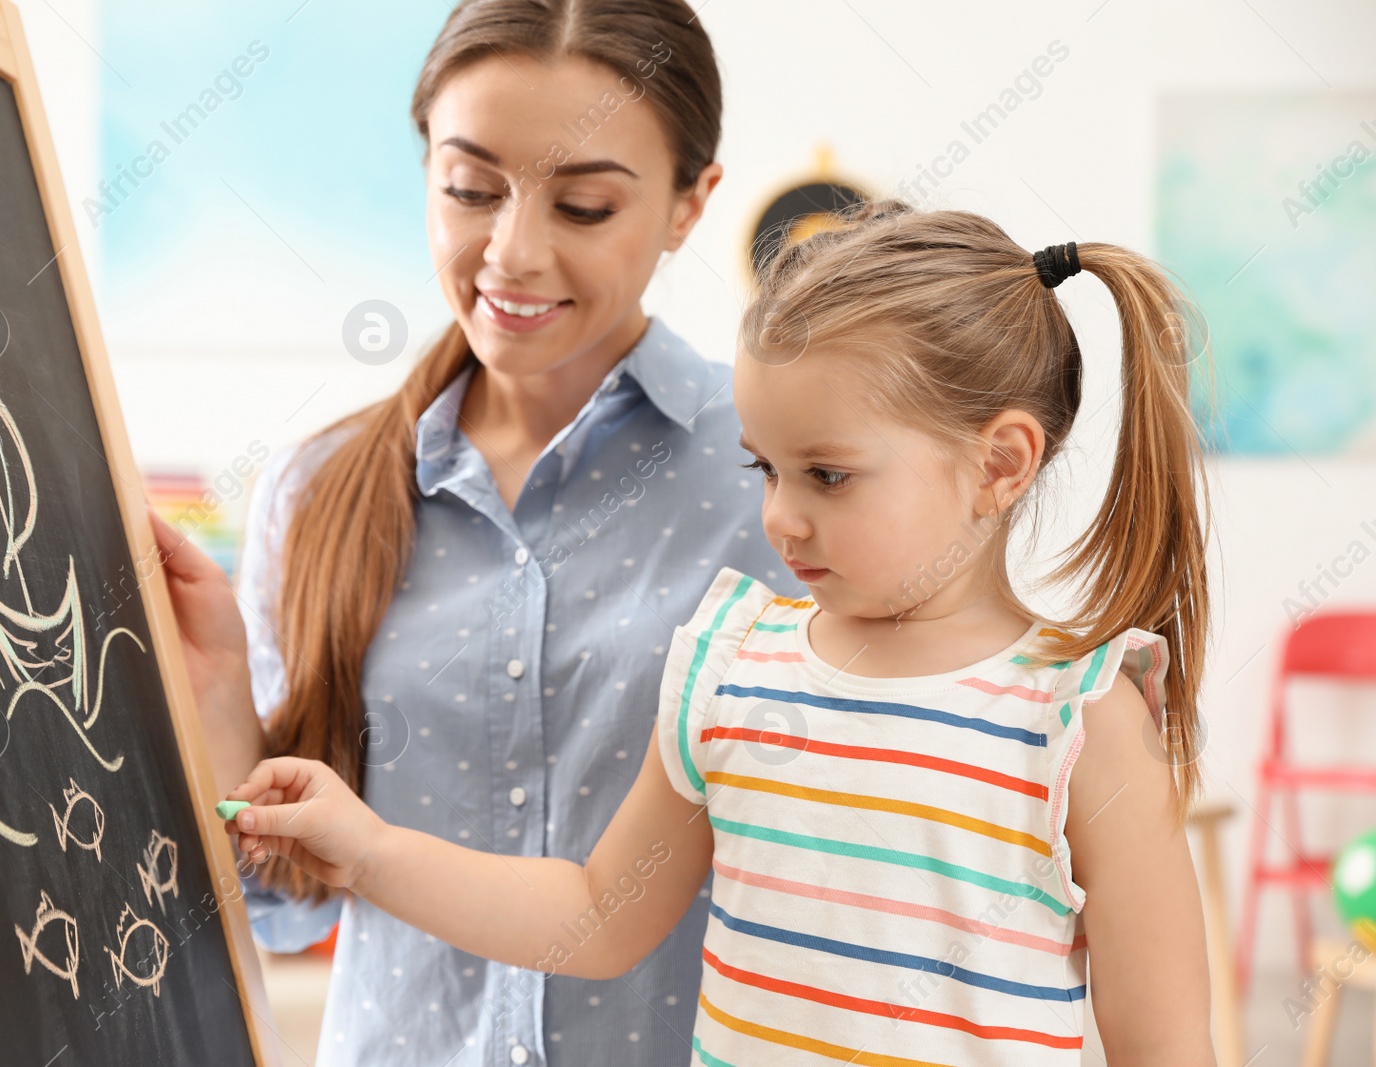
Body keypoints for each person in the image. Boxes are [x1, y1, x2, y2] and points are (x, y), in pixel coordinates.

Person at [219, 202, 1218, 1065]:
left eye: (825, 474)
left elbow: (1164, 1046)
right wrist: (369, 847)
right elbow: (594, 914)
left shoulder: (1079, 719)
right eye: (762, 468)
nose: (779, 515)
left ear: (1000, 463)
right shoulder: (730, 662)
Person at [152, 1, 801, 1063]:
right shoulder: (318, 488)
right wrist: (224, 704)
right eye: (469, 189)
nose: (511, 252)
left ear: (691, 204)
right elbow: (287, 909)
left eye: (584, 206)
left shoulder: (779, 476)